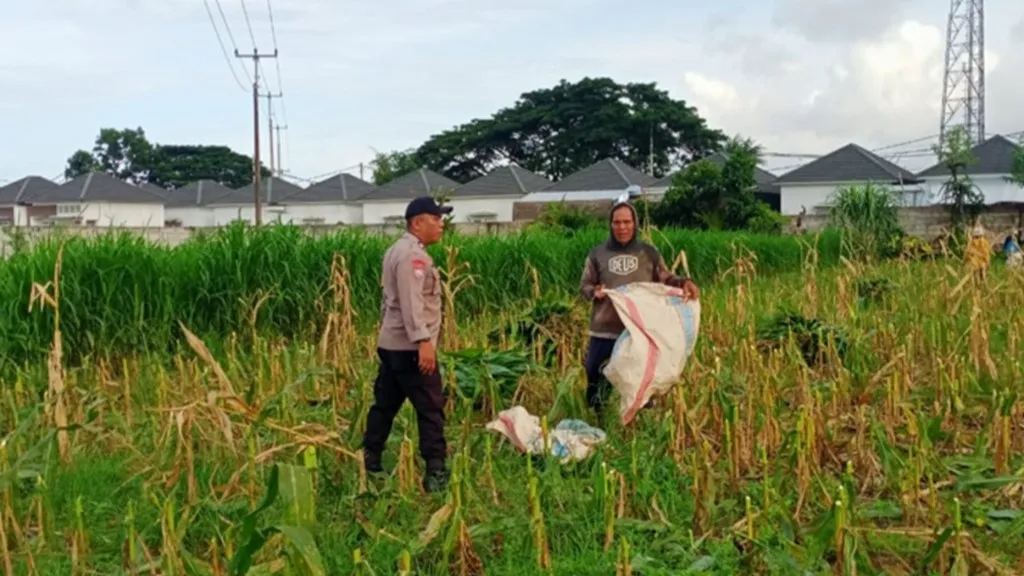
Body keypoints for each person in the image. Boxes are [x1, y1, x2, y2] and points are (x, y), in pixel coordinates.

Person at [362, 196, 452, 493]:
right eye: (436, 218)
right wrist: (424, 341)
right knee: (431, 408)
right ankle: (436, 472)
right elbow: (412, 303)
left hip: (393, 344)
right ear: (417, 223)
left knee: (385, 404)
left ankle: (370, 459)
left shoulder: (397, 250)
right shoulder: (413, 257)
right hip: (411, 347)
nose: (441, 224)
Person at [578, 200, 700, 413]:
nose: (622, 227)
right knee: (595, 376)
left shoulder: (649, 253)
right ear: (610, 224)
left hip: (638, 331)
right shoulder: (597, 254)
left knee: (642, 379)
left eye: (627, 222)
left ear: (635, 224)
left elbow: (666, 277)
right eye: (617, 222)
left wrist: (684, 283)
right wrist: (594, 292)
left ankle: (641, 421)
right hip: (604, 329)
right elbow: (584, 286)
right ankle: (598, 419)